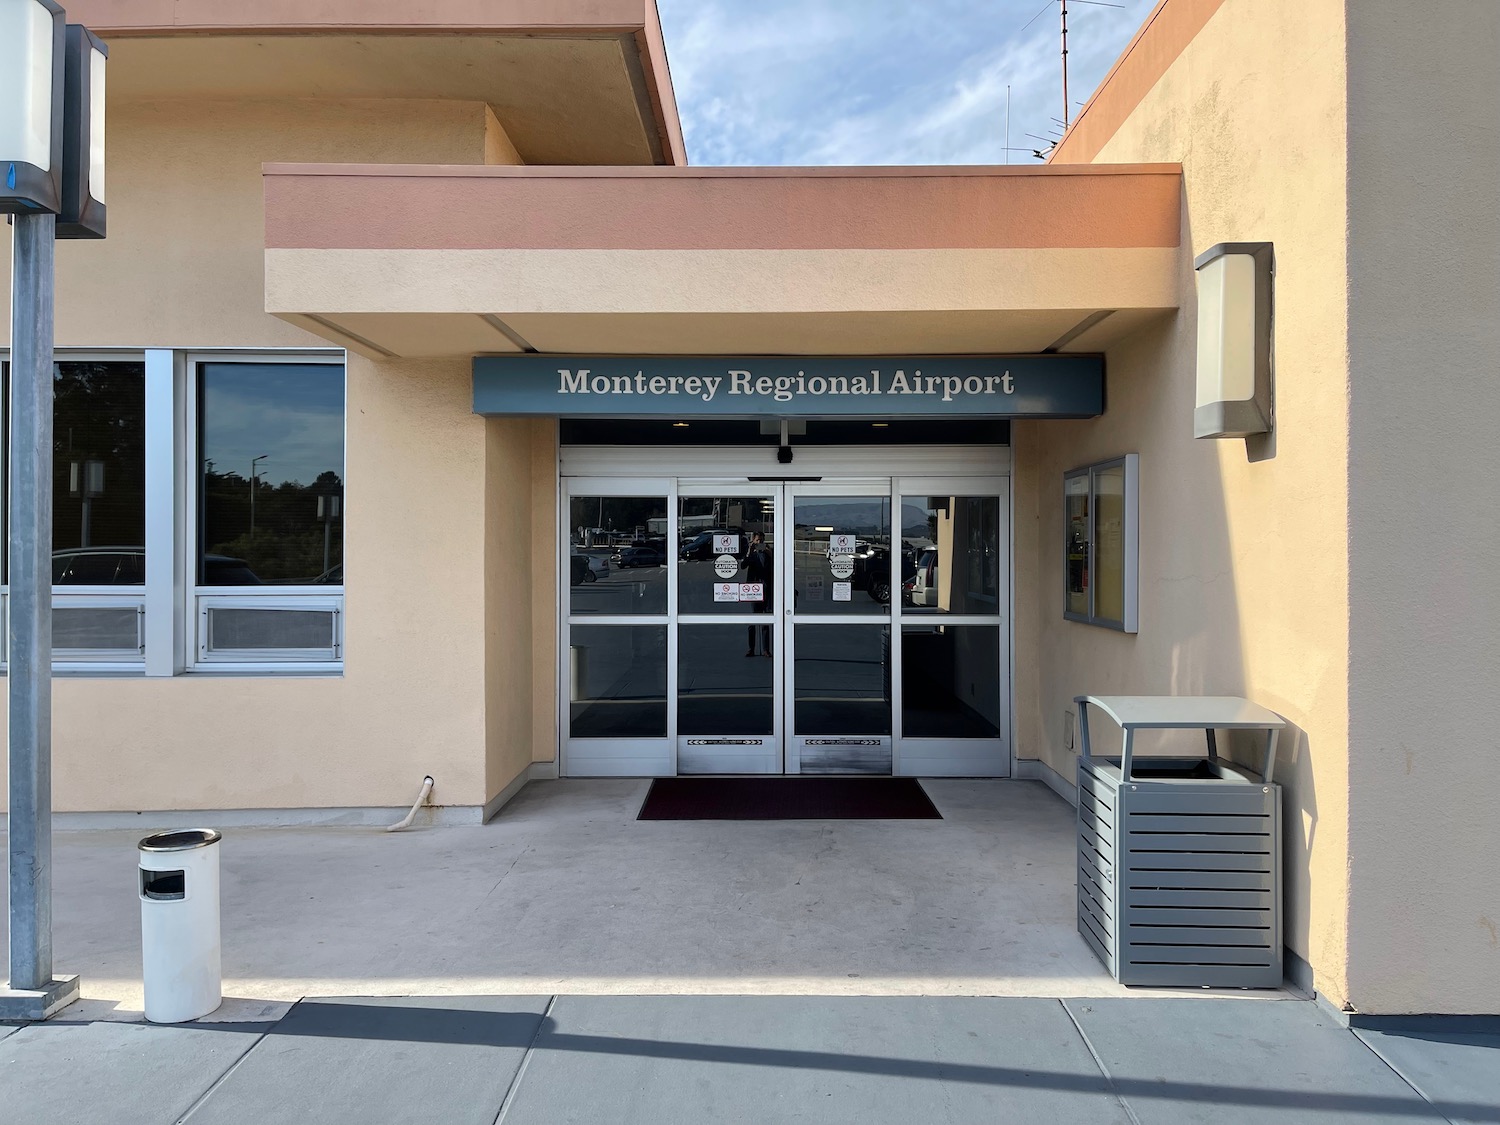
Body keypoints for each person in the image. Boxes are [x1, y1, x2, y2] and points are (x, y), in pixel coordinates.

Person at [744, 531, 773, 656]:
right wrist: (750, 551)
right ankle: (751, 648)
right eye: (757, 541)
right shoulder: (752, 555)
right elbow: (743, 565)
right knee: (753, 619)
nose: (759, 543)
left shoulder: (768, 553)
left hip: (766, 589)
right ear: (753, 541)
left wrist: (770, 554)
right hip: (754, 589)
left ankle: (766, 649)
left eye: (761, 540)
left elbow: (776, 567)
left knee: (766, 619)